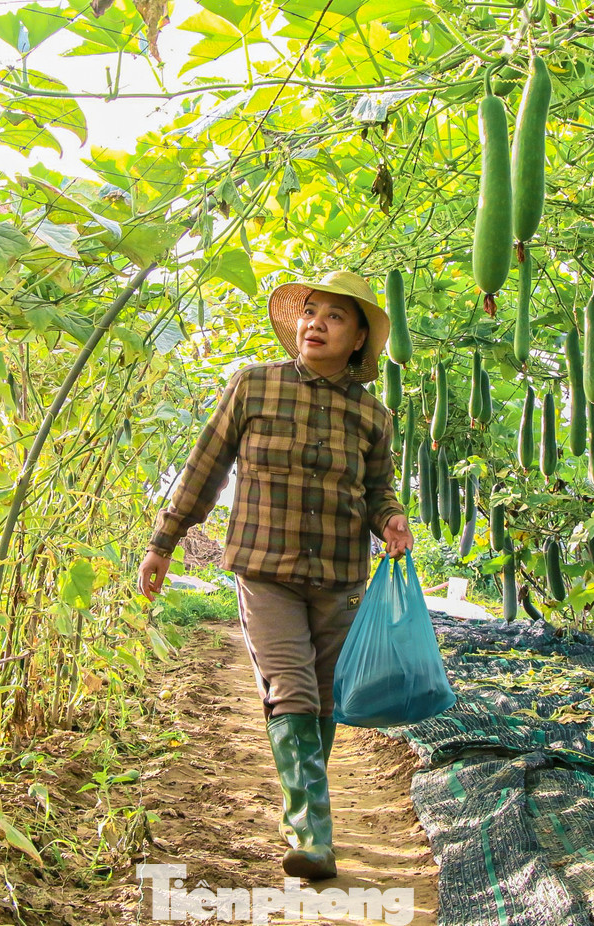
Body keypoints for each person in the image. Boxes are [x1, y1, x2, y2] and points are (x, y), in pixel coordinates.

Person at [136, 269, 413, 881]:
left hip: (339, 573)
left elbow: (377, 491)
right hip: (265, 568)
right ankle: (311, 831)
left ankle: (307, 817)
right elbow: (205, 467)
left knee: (325, 696)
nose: (316, 324)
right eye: (310, 312)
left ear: (359, 338)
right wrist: (164, 541)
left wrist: (391, 519)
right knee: (291, 687)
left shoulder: (372, 415)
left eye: (335, 316)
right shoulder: (253, 386)